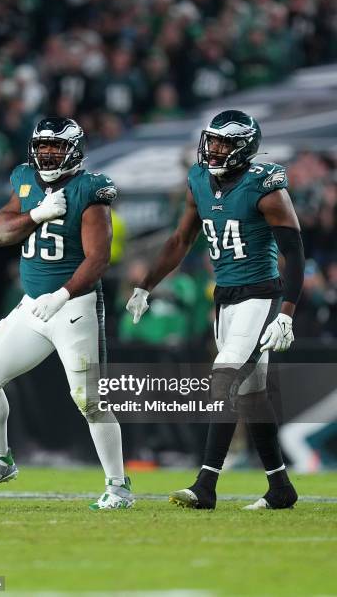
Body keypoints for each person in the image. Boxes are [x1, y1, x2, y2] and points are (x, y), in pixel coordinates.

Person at [126, 109, 305, 510]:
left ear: (245, 148)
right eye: (213, 140)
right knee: (252, 395)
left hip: (260, 296)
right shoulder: (198, 180)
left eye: (225, 143)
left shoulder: (267, 187)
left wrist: (287, 312)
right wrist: (145, 284)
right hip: (224, 299)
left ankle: (205, 484)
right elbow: (180, 239)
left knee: (224, 377)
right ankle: (280, 488)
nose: (215, 149)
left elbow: (295, 254)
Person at [0, 117, 134, 510]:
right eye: (43, 146)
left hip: (74, 306)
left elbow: (99, 258)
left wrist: (63, 293)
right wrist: (36, 214)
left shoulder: (90, 189)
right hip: (33, 306)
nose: (47, 154)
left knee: (89, 399)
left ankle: (119, 486)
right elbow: (0, 234)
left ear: (73, 150)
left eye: (56, 147)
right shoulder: (24, 179)